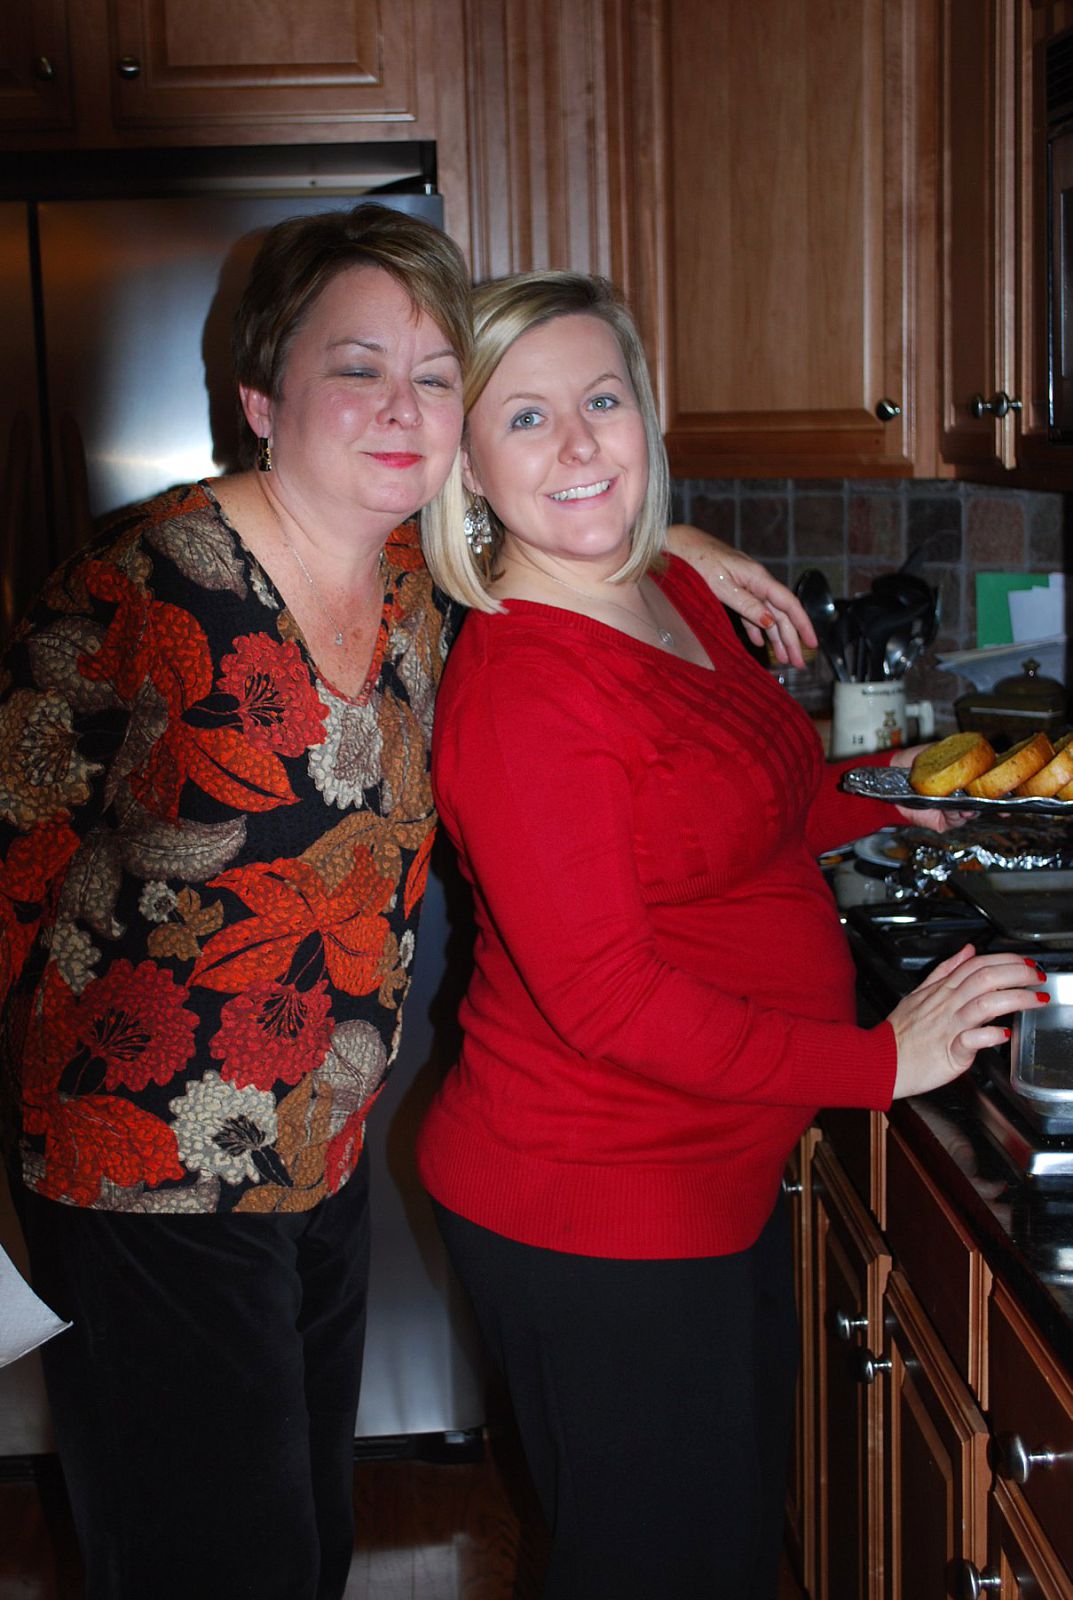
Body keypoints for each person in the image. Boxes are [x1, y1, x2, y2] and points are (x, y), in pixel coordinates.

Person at [0, 204, 813, 1600]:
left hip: (317, 1147)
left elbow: (562, 523)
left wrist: (678, 540)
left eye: (435, 377)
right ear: (263, 400)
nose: (401, 407)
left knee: (305, 1540)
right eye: (356, 368)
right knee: (216, 1561)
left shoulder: (418, 585)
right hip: (139, 1158)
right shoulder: (145, 582)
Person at [415, 271, 1047, 1599]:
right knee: (659, 1568)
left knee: (717, 1547)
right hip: (595, 1204)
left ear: (647, 413)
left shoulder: (664, 589)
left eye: (601, 400)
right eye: (524, 417)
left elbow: (748, 802)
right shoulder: (524, 692)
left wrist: (887, 795)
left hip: (707, 1170)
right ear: (464, 464)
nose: (579, 444)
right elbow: (611, 1001)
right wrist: (881, 1064)